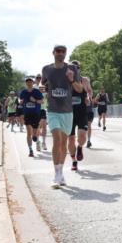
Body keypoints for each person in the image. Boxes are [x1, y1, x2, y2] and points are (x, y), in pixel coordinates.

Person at [40, 45, 83, 188]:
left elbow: (79, 89)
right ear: (53, 53)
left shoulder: (72, 69)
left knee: (64, 143)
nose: (60, 53)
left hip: (67, 111)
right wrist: (42, 87)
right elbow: (42, 83)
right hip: (53, 110)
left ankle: (60, 173)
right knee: (57, 140)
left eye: (63, 51)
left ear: (65, 54)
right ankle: (56, 174)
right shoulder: (47, 69)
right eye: (58, 51)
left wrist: (71, 80)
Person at [67, 65, 91, 171]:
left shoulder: (83, 81)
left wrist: (88, 99)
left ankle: (80, 147)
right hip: (68, 114)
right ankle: (74, 161)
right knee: (71, 139)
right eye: (72, 68)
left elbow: (86, 92)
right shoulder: (64, 82)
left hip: (81, 113)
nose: (74, 69)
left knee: (82, 137)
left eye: (76, 68)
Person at [19, 76, 44, 157]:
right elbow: (20, 100)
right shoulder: (23, 92)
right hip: (27, 114)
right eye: (27, 81)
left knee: (34, 132)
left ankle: (35, 137)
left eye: (30, 81)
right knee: (28, 132)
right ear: (26, 83)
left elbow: (42, 101)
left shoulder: (37, 92)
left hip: (36, 114)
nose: (29, 83)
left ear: (33, 83)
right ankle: (30, 150)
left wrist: (35, 100)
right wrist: (21, 101)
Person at [37, 79, 49, 151]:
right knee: (38, 128)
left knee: (44, 127)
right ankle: (38, 142)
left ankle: (43, 142)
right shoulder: (36, 94)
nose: (42, 89)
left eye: (43, 88)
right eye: (40, 88)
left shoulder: (47, 94)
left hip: (44, 111)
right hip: (37, 111)